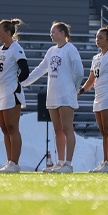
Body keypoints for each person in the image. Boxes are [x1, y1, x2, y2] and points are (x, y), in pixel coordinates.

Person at [22, 22, 85, 173]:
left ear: (63, 33)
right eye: (51, 32)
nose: (51, 34)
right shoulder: (51, 51)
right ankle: (60, 162)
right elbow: (41, 69)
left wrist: (74, 88)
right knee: (57, 130)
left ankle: (68, 164)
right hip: (53, 95)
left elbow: (80, 72)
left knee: (67, 129)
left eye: (54, 32)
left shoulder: (71, 49)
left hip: (66, 95)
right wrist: (24, 83)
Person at [80, 25, 108, 173]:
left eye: (100, 37)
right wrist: (81, 90)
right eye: (96, 37)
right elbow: (91, 79)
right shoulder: (96, 58)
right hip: (98, 96)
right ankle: (105, 162)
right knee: (103, 131)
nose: (97, 40)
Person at [0, 19, 30, 173]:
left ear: (8, 33)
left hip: (11, 93)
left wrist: (14, 83)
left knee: (12, 128)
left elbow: (25, 71)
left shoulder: (16, 48)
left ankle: (15, 163)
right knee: (4, 129)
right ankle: (9, 162)